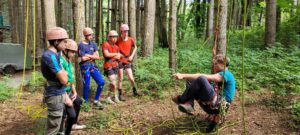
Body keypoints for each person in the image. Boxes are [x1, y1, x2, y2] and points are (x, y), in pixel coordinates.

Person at [172, 55, 236, 133]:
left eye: (215, 64)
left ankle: (181, 99)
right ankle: (189, 104)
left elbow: (215, 78)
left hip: (218, 105)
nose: (213, 66)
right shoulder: (219, 77)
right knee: (191, 80)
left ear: (223, 64)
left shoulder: (227, 74)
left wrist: (182, 75)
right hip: (210, 105)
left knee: (201, 78)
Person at [41, 27, 72, 135]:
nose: (66, 44)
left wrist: (65, 74)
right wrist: (66, 75)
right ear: (56, 41)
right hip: (54, 95)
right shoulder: (49, 56)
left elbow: (63, 71)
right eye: (64, 41)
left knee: (60, 121)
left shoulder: (56, 53)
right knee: (53, 127)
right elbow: (64, 80)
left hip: (60, 92)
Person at [58, 39, 86, 135]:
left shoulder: (69, 61)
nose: (74, 54)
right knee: (67, 113)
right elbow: (61, 82)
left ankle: (72, 125)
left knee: (78, 101)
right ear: (65, 51)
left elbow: (71, 79)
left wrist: (75, 92)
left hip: (69, 90)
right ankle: (62, 131)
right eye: (72, 52)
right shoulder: (61, 61)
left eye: (75, 52)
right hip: (62, 92)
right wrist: (66, 97)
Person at [78, 27, 105, 109]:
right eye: (89, 35)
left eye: (91, 35)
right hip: (85, 67)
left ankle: (96, 100)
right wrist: (92, 56)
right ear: (85, 35)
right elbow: (82, 58)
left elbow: (97, 56)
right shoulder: (81, 45)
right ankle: (85, 102)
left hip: (93, 66)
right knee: (87, 84)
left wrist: (88, 55)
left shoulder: (93, 44)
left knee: (101, 82)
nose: (91, 36)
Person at [116, 24, 141, 101]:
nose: (126, 33)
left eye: (127, 31)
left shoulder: (130, 39)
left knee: (131, 77)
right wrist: (117, 55)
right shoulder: (118, 40)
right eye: (124, 31)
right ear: (121, 31)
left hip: (127, 60)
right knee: (121, 78)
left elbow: (135, 47)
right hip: (120, 60)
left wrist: (132, 56)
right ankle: (120, 95)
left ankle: (135, 91)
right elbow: (114, 49)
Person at [102, 30, 122, 104]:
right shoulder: (105, 44)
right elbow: (107, 54)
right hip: (108, 65)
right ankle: (114, 97)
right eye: (113, 37)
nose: (115, 39)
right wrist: (116, 54)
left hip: (115, 65)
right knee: (113, 82)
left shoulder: (117, 47)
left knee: (113, 83)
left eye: (116, 37)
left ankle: (109, 97)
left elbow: (119, 57)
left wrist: (116, 55)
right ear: (109, 37)